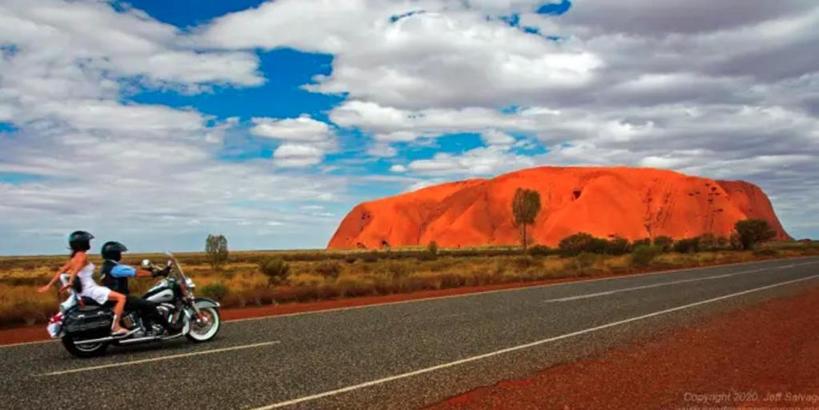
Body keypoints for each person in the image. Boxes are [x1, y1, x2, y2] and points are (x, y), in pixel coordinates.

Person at [38, 231, 132, 336]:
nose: (89, 243)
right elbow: (76, 270)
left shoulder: (74, 257)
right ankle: (116, 327)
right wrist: (71, 281)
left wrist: (49, 285)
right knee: (121, 298)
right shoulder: (82, 256)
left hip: (84, 291)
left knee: (114, 298)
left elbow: (61, 271)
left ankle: (113, 321)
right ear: (82, 243)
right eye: (87, 241)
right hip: (90, 290)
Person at [99, 241, 169, 335]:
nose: (120, 254)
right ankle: (166, 328)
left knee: (142, 303)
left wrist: (146, 270)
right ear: (114, 254)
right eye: (119, 252)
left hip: (113, 297)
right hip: (121, 298)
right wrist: (157, 273)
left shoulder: (105, 266)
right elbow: (136, 273)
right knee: (149, 305)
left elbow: (132, 270)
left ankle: (146, 326)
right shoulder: (115, 268)